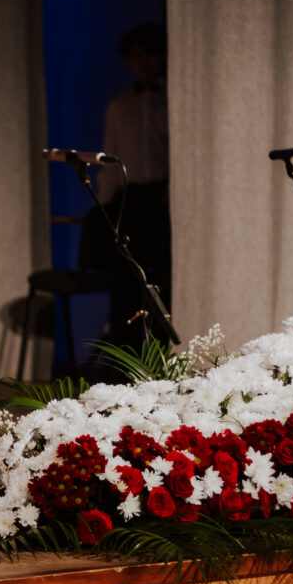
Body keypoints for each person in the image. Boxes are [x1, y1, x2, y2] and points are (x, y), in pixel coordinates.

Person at [79, 22, 171, 351]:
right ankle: (124, 359)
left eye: (151, 55)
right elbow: (110, 160)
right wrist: (105, 209)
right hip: (129, 202)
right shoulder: (120, 105)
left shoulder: (172, 101)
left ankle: (164, 353)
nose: (144, 62)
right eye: (137, 56)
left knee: (162, 280)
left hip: (163, 202)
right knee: (125, 284)